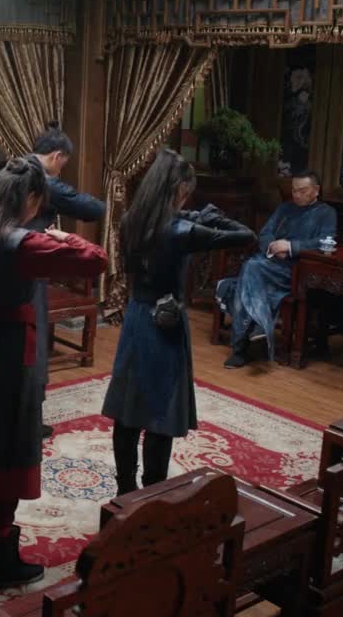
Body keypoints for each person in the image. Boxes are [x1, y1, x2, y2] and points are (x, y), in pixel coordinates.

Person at [0, 158, 107, 587]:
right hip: (10, 355)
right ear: (33, 198)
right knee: (6, 449)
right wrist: (62, 235)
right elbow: (96, 259)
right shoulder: (25, 243)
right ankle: (1, 562)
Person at [102, 150, 254, 495]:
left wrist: (189, 214)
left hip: (136, 318)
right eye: (186, 193)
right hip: (166, 326)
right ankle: (152, 491)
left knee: (128, 409)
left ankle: (124, 491)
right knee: (160, 414)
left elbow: (166, 223)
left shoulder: (130, 220)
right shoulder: (183, 231)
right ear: (178, 190)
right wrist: (215, 216)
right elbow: (246, 235)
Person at [24, 121, 106, 439]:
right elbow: (90, 209)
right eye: (63, 164)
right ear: (57, 156)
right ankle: (29, 422)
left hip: (2, 263)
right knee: (33, 344)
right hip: (29, 267)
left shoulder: (13, 168)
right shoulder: (44, 181)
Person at [216, 169, 337, 368]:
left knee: (248, 271)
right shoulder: (285, 208)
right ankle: (257, 326)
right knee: (252, 269)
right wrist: (273, 246)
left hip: (293, 271)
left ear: (316, 190)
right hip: (268, 263)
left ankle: (240, 348)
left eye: (302, 191)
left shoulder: (326, 213)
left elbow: (326, 243)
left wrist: (290, 247)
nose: (296, 195)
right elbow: (265, 233)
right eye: (294, 190)